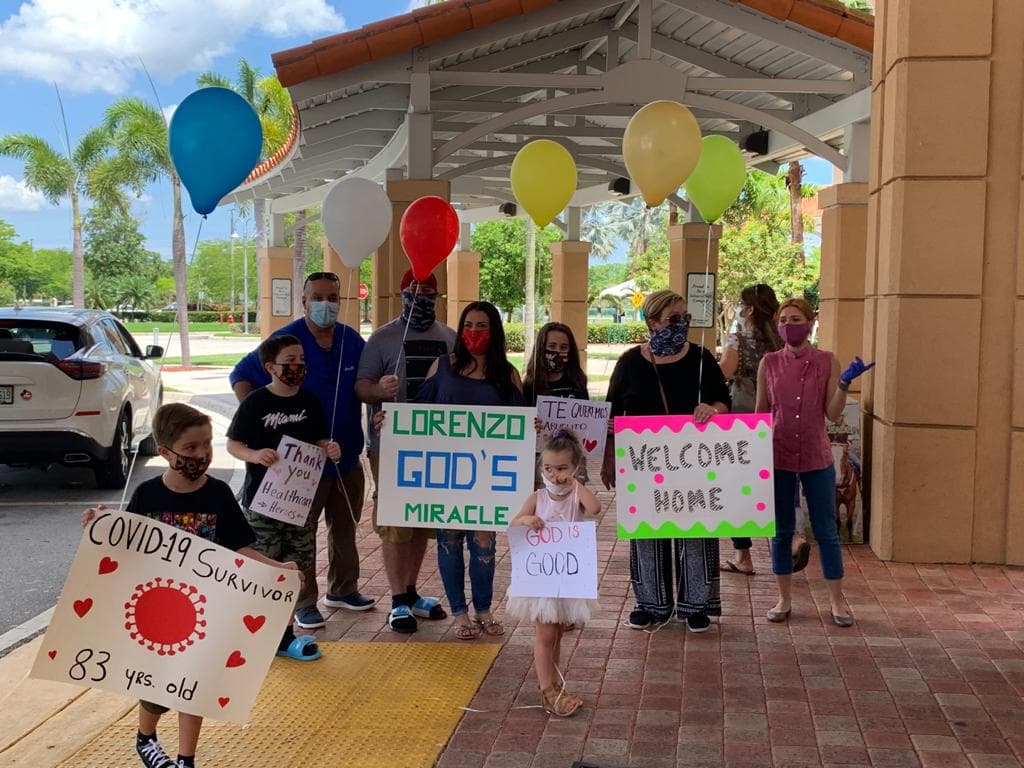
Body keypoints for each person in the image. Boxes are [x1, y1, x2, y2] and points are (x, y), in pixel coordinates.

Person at [81, 403, 303, 768]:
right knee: (155, 688)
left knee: (195, 686)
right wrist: (98, 524)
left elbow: (240, 549)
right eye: (190, 448)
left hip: (204, 612)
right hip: (155, 612)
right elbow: (124, 547)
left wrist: (279, 569)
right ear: (165, 451)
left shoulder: (217, 495)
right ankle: (146, 736)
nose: (201, 455)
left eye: (207, 445)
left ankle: (187, 759)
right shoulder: (147, 496)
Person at [230, 271, 373, 630]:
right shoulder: (286, 340)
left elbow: (365, 385)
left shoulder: (351, 340)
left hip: (344, 457)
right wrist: (261, 416)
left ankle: (343, 589)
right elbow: (240, 375)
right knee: (301, 536)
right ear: (305, 301)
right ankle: (304, 602)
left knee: (344, 528)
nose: (326, 304)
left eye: (333, 298)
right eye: (318, 297)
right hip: (298, 467)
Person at [600, 290, 730, 633]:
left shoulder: (702, 359)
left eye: (685, 317)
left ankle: (696, 605)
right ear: (653, 322)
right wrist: (609, 459)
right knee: (646, 534)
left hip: (695, 465)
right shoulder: (629, 363)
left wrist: (711, 410)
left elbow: (723, 400)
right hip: (643, 467)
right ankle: (650, 604)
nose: (682, 324)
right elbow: (612, 413)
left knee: (697, 533)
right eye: (674, 318)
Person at [756, 297, 874, 627]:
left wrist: (844, 383)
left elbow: (833, 413)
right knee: (780, 531)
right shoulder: (769, 362)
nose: (789, 325)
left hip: (816, 455)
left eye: (795, 319)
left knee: (826, 531)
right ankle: (783, 598)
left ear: (809, 323)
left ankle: (837, 601)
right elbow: (760, 413)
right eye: (783, 319)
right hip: (778, 454)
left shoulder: (826, 360)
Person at [226, 335, 341, 658]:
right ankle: (255, 631)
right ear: (270, 367)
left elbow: (319, 440)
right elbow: (233, 444)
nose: (297, 366)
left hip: (299, 503)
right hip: (262, 504)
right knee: (264, 568)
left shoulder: (310, 401)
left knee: (296, 569)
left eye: (301, 360)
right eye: (290, 360)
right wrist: (254, 454)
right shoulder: (256, 403)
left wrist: (328, 448)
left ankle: (285, 634)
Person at [417, 301, 526, 639]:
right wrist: (389, 422)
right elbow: (417, 414)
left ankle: (483, 608)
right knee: (448, 540)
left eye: (482, 326)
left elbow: (521, 425)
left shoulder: (507, 374)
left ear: (494, 332)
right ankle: (459, 613)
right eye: (468, 325)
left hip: (487, 479)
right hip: (446, 474)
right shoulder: (442, 367)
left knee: (484, 543)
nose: (474, 333)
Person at [355, 269, 456, 633]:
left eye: (428, 290)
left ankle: (412, 592)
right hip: (392, 447)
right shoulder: (383, 338)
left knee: (420, 522)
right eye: (414, 289)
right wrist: (379, 391)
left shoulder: (449, 337)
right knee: (396, 523)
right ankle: (397, 599)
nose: (421, 296)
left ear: (437, 295)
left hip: (436, 448)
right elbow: (361, 387)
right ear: (402, 294)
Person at [507, 429, 601, 717]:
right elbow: (514, 523)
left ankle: (556, 683)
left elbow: (595, 508)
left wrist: (576, 485)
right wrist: (527, 519)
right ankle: (547, 689)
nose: (555, 475)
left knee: (557, 633)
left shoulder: (575, 495)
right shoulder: (537, 497)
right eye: (548, 468)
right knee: (546, 634)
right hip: (541, 581)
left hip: (565, 579)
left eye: (562, 469)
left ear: (575, 469)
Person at [717, 284, 787, 575]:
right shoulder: (781, 342)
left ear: (747, 310)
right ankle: (789, 540)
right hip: (779, 415)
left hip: (744, 417)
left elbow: (725, 372)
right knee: (776, 483)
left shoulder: (738, 340)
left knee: (737, 485)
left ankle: (743, 553)